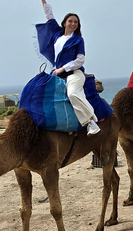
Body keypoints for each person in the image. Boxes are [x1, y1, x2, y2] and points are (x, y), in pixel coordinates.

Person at [38, 0, 100, 136]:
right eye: (70, 21)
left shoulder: (78, 39)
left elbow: (80, 60)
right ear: (65, 23)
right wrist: (43, 2)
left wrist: (62, 69)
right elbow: (49, 16)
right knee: (37, 90)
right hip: (56, 74)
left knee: (72, 93)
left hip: (74, 73)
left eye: (75, 22)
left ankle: (90, 122)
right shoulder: (57, 35)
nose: (73, 24)